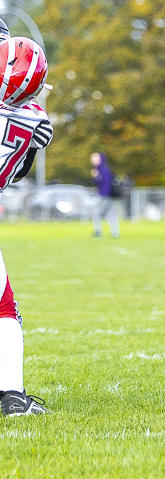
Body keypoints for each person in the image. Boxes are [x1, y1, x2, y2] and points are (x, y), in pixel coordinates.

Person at [0, 35, 54, 415]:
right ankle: (12, 397)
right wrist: (33, 145)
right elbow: (17, 175)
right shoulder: (33, 119)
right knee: (4, 310)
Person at [90, 152, 120, 238]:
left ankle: (98, 232)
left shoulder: (103, 169)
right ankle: (115, 232)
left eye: (95, 158)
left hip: (105, 196)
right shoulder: (99, 169)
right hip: (107, 195)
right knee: (111, 214)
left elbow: (106, 184)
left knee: (97, 213)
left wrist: (103, 195)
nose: (92, 160)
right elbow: (96, 183)